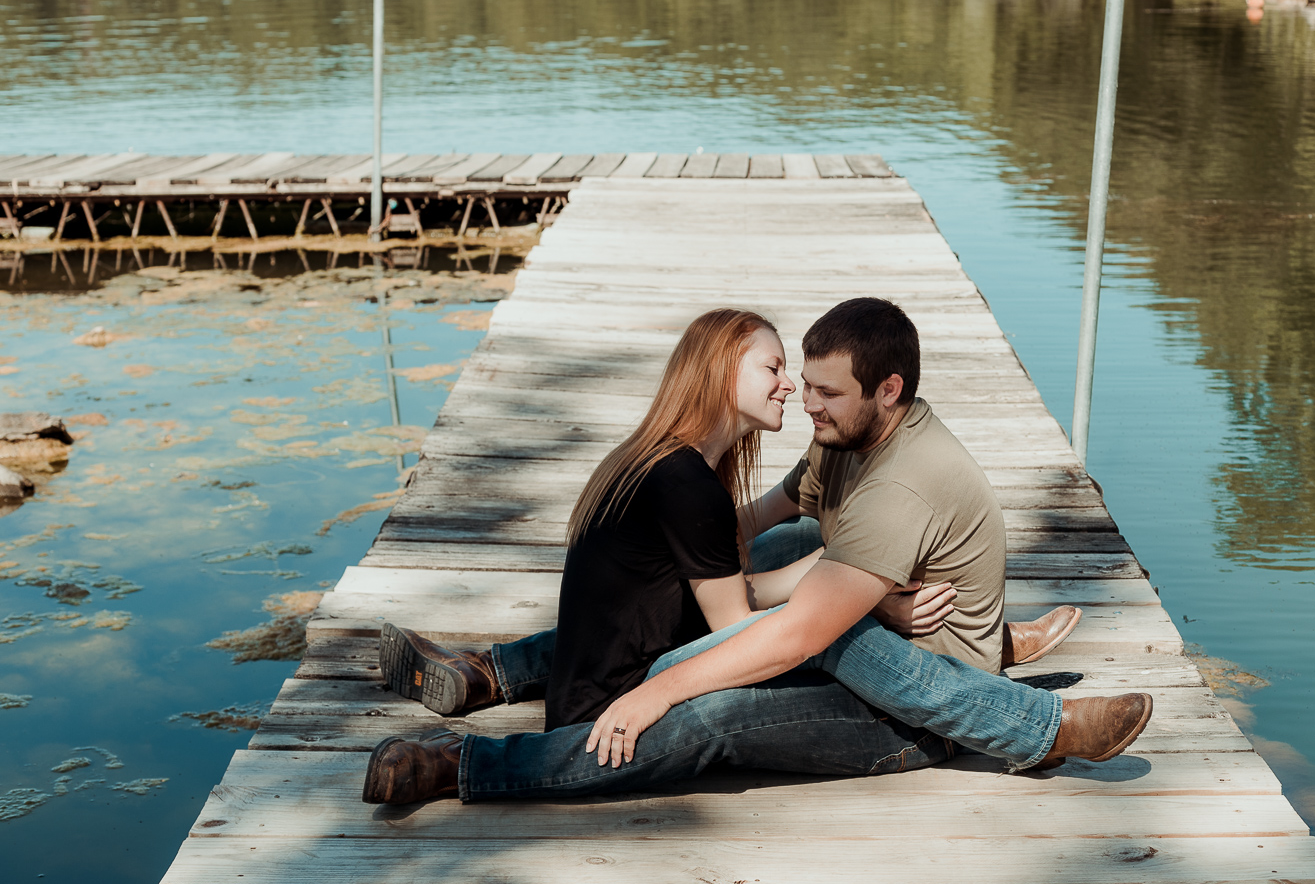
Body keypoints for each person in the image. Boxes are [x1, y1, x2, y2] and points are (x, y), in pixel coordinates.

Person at [363, 301, 1151, 806]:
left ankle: (1035, 726)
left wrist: (654, 694)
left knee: (716, 709)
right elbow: (748, 532)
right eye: (794, 379)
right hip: (873, 637)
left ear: (890, 391)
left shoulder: (901, 484)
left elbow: (796, 630)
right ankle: (495, 671)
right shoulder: (841, 442)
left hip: (920, 712)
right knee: (793, 549)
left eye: (823, 391)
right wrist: (668, 553)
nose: (803, 402)